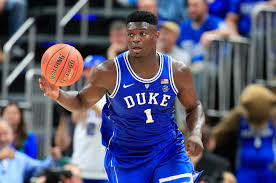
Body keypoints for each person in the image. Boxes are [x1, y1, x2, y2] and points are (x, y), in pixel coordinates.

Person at [39, 10, 205, 183]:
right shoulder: (109, 71)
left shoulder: (177, 70)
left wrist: (195, 134)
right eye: (131, 34)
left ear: (156, 36)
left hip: (168, 150)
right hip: (127, 156)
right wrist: (58, 94)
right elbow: (80, 102)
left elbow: (194, 107)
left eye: (142, 34)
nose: (135, 39)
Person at [71, 55, 108, 183]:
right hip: (82, 163)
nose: (86, 73)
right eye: (85, 70)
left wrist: (91, 103)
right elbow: (75, 119)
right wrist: (85, 101)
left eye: (90, 69)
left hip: (103, 165)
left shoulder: (112, 94)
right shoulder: (82, 93)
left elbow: (110, 120)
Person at [0, 118, 61, 183]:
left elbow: (41, 167)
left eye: (5, 133)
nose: (2, 138)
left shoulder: (19, 157)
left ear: (12, 135)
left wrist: (53, 158)